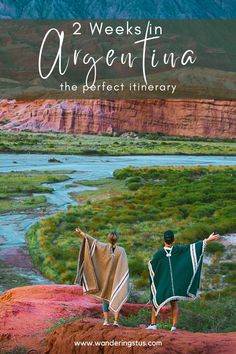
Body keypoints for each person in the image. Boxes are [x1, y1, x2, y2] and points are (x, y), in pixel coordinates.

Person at [147, 230, 220, 331]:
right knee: (174, 304)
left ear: (164, 240)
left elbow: (152, 265)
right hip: (175, 286)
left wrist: (149, 263)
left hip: (164, 285)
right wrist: (208, 240)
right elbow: (193, 248)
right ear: (174, 240)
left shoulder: (159, 254)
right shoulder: (179, 250)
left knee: (155, 301)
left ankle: (153, 324)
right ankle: (173, 327)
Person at [74, 227, 129, 327]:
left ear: (108, 239)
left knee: (105, 300)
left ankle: (106, 321)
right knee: (116, 297)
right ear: (117, 239)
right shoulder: (121, 251)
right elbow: (124, 266)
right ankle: (116, 321)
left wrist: (81, 232)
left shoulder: (103, 247)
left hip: (105, 280)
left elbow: (91, 240)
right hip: (116, 280)